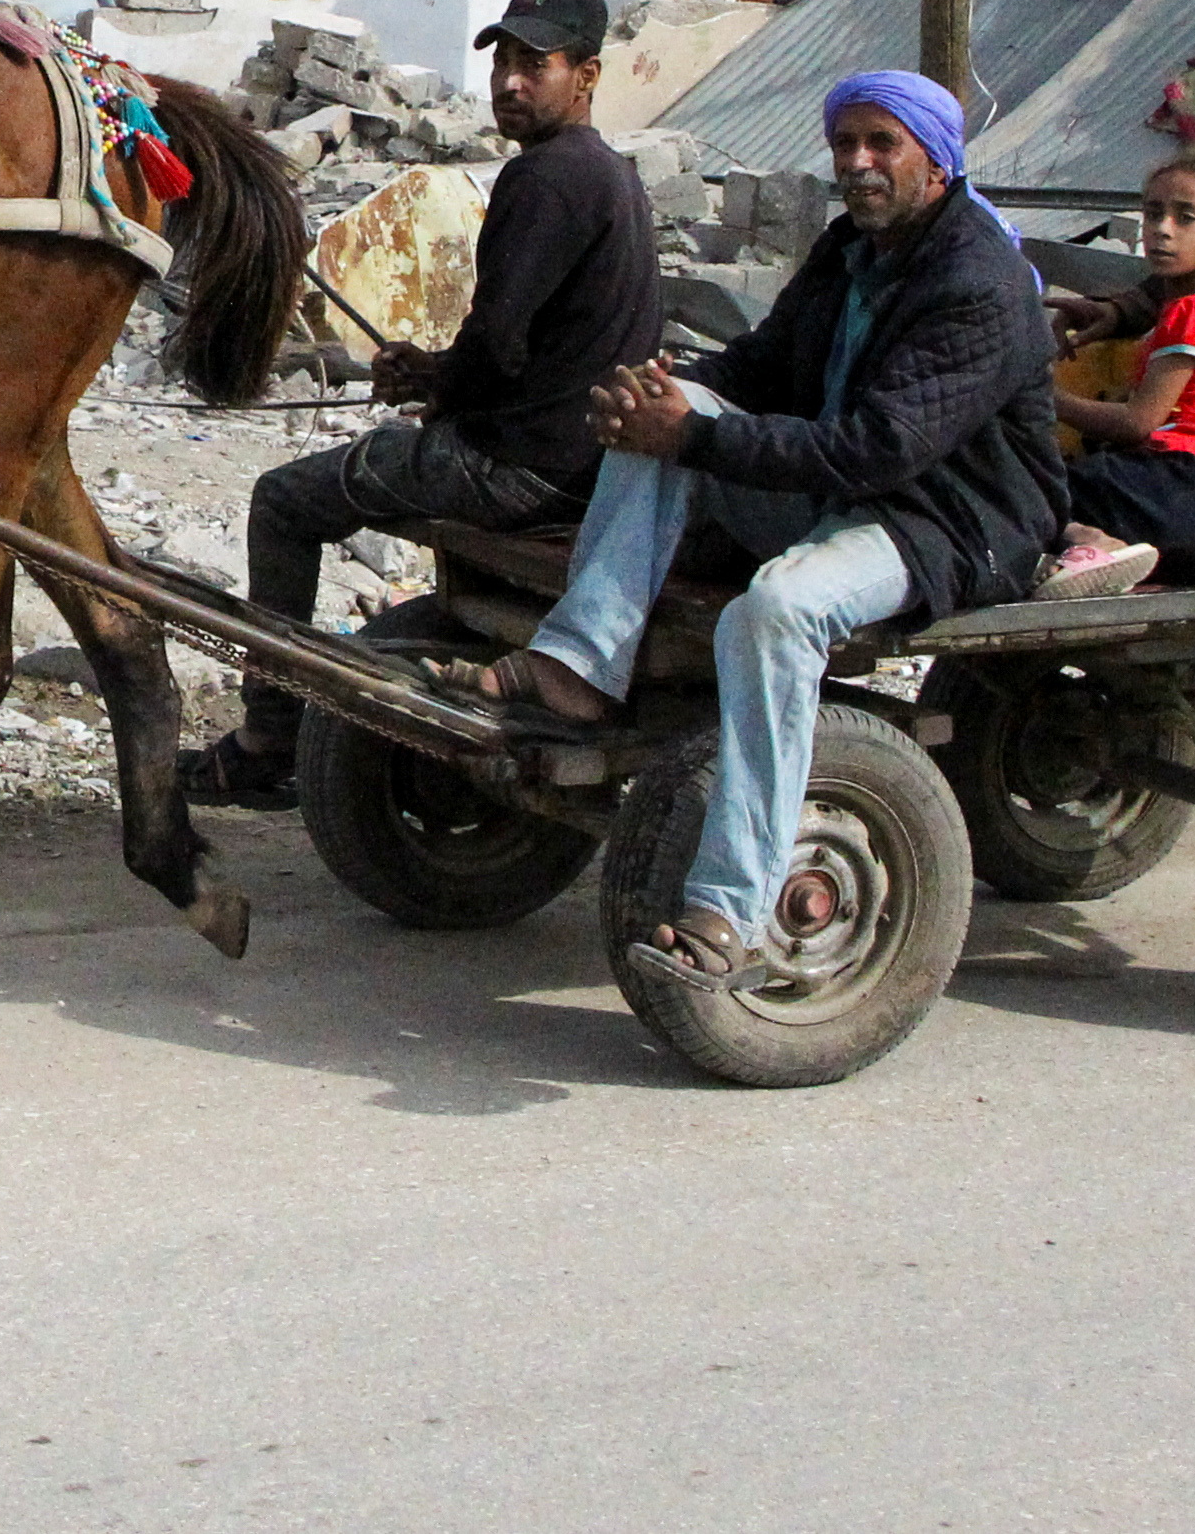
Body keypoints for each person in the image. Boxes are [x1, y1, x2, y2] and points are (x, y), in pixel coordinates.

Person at [448, 71, 1062, 992]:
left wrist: (696, 435)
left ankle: (730, 907)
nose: (856, 163)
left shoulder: (978, 281)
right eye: (844, 143)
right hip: (846, 484)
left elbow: (880, 449)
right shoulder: (848, 248)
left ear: (935, 160)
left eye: (879, 144)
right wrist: (667, 391)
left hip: (942, 516)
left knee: (770, 612)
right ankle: (580, 664)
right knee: (678, 408)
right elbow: (765, 365)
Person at [178, 0, 661, 810]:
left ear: (586, 74)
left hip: (519, 467)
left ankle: (267, 736)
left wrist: (434, 386)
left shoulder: (546, 179)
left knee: (282, 499)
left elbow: (498, 338)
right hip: (576, 455)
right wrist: (435, 374)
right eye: (502, 62)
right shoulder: (606, 173)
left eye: (532, 65)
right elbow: (520, 346)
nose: (508, 82)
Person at [1041, 155, 1195, 591]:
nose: (1162, 229)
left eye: (1185, 218)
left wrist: (1042, 397)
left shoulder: (1194, 310)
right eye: (1153, 213)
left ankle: (1093, 542)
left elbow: (1139, 422)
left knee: (1034, 483)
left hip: (1177, 484)